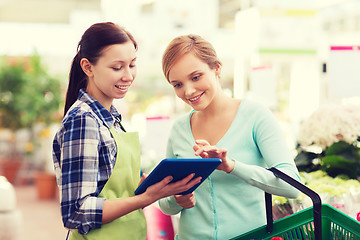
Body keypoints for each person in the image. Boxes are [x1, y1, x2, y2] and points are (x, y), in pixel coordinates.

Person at [52, 22, 201, 240]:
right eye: (117, 67)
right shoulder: (83, 121)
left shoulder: (111, 118)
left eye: (132, 65)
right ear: (88, 67)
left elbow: (116, 189)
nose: (128, 76)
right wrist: (145, 198)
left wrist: (164, 186)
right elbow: (77, 213)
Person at [158, 34, 301, 240]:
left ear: (216, 68)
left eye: (196, 77)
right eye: (177, 84)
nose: (188, 91)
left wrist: (232, 166)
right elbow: (166, 205)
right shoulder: (178, 129)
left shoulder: (255, 116)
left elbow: (292, 186)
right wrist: (177, 199)